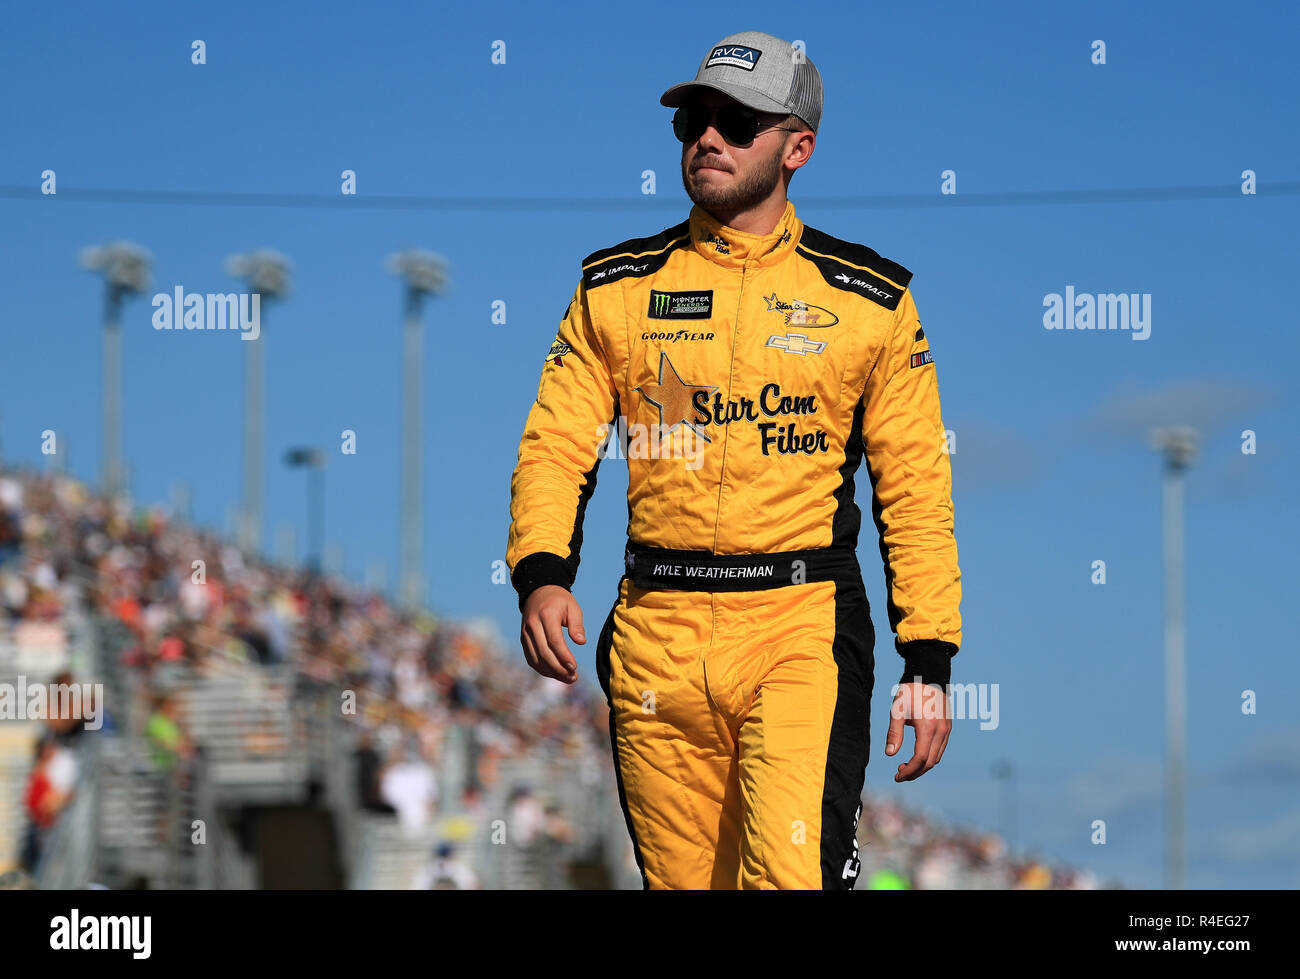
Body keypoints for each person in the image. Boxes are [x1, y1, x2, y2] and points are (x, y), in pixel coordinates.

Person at [506, 30, 962, 889]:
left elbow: (916, 488)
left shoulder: (872, 299)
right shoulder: (614, 286)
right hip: (655, 633)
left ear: (798, 148)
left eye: (737, 121)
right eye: (694, 120)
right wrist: (540, 570)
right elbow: (557, 438)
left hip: (800, 625)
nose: (708, 137)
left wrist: (928, 658)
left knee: (787, 878)